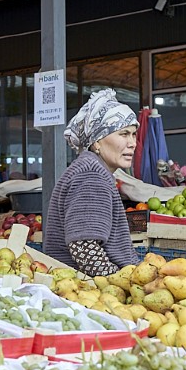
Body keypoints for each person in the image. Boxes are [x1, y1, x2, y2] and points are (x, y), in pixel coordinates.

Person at [42, 89, 141, 276]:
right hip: (84, 286)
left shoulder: (92, 170)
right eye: (124, 134)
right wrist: (117, 280)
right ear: (97, 142)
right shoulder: (91, 175)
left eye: (134, 134)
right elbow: (83, 246)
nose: (132, 143)